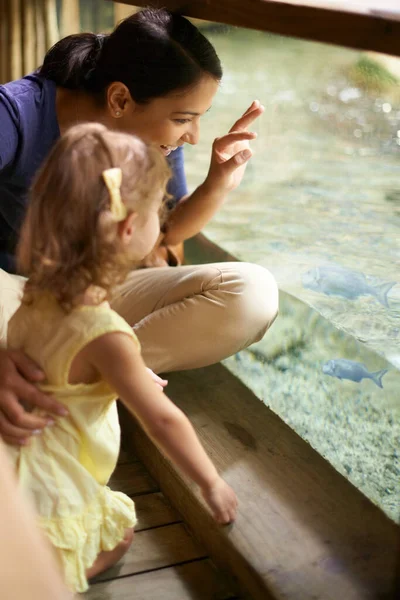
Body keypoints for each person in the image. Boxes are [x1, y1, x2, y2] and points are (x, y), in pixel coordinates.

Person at [0, 7, 279, 446]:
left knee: (252, 294)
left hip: (88, 301)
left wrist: (219, 183)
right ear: (119, 99)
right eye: (185, 118)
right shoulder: (14, 116)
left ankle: (92, 375)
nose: (193, 136)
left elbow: (167, 231)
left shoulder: (150, 135)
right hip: (14, 299)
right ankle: (73, 380)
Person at [5, 122, 238, 594]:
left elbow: (55, 368)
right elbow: (164, 423)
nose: (162, 220)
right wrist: (210, 483)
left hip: (14, 459)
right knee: (121, 530)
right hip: (50, 481)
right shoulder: (105, 334)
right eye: (161, 209)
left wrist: (119, 376)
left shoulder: (35, 293)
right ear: (131, 227)